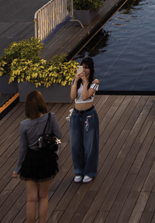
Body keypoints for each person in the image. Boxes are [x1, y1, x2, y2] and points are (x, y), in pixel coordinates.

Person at [14, 89, 61, 222]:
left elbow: (23, 148)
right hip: (46, 159)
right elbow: (59, 135)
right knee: (43, 197)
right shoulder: (51, 117)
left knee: (31, 198)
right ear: (41, 103)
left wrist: (17, 169)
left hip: (31, 160)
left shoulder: (24, 125)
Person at [70, 58, 100, 183]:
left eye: (86, 67)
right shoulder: (76, 81)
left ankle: (89, 172)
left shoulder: (95, 82)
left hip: (89, 115)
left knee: (90, 145)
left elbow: (85, 96)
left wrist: (85, 82)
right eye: (82, 67)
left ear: (91, 69)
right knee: (75, 145)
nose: (84, 70)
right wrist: (76, 81)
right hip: (76, 115)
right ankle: (78, 171)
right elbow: (72, 97)